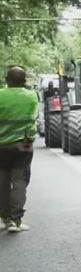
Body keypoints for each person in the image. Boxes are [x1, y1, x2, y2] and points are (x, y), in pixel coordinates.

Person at [0, 65, 38, 232]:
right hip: (23, 146)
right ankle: (16, 221)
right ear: (24, 81)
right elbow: (33, 119)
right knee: (20, 181)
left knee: (2, 182)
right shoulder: (31, 96)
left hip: (1, 146)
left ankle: (5, 218)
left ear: (6, 80)